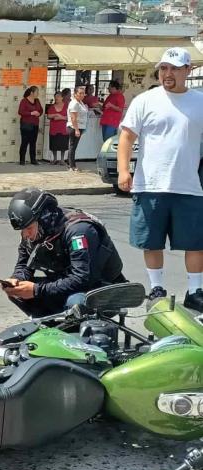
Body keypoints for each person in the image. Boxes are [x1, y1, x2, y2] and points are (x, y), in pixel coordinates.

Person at [117, 47, 203, 312]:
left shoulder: (199, 102)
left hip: (189, 186)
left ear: (188, 71)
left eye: (175, 68)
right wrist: (123, 170)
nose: (168, 74)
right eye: (164, 68)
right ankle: (157, 288)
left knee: (196, 243)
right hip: (150, 184)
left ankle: (195, 291)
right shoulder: (146, 100)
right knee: (152, 242)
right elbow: (127, 137)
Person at [1, 188, 125, 318]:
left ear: (44, 219)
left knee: (75, 303)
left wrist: (37, 290)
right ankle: (49, 327)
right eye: (22, 230)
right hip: (69, 283)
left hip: (102, 287)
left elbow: (81, 277)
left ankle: (81, 333)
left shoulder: (78, 231)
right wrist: (16, 280)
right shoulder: (35, 233)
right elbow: (24, 266)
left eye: (29, 228)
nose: (26, 234)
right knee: (18, 292)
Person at [18, 86, 43, 165]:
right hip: (26, 125)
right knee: (24, 142)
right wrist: (31, 113)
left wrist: (39, 113)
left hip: (35, 124)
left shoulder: (37, 100)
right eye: (37, 92)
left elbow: (41, 110)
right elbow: (20, 112)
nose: (38, 93)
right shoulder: (24, 101)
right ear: (32, 93)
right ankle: (22, 160)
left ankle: (33, 160)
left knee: (33, 143)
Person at [67, 85, 89, 172]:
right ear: (75, 94)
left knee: (74, 146)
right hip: (74, 127)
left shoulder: (81, 102)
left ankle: (71, 164)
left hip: (80, 127)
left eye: (83, 93)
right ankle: (71, 165)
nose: (82, 95)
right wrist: (76, 129)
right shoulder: (74, 103)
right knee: (72, 146)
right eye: (80, 93)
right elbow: (73, 118)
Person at [46, 91, 68, 165]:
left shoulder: (66, 106)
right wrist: (55, 114)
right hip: (54, 128)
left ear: (62, 97)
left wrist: (61, 117)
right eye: (55, 96)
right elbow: (48, 116)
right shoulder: (52, 107)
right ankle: (55, 159)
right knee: (54, 145)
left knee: (63, 145)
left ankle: (62, 160)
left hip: (63, 129)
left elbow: (70, 117)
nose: (57, 98)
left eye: (58, 96)